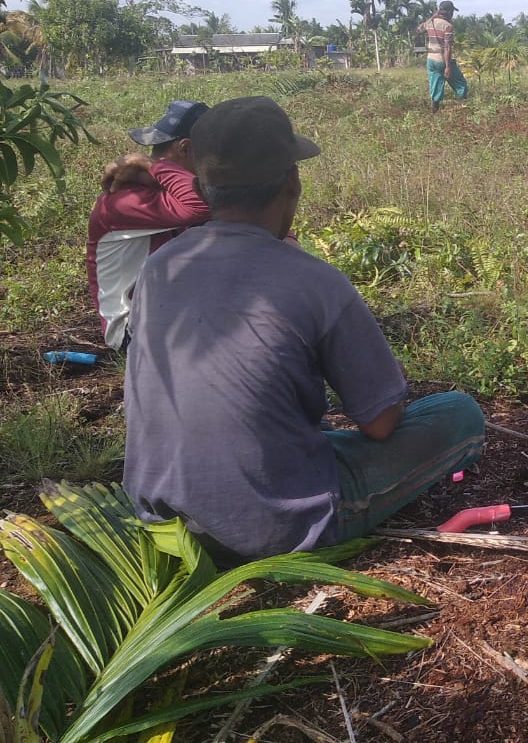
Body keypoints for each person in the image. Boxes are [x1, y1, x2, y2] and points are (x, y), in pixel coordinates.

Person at [123, 96, 485, 564]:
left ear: (204, 186)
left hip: (164, 519)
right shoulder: (316, 280)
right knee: (458, 413)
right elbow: (380, 424)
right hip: (272, 528)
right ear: (292, 182)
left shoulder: (159, 267)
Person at [87, 99, 211, 351]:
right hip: (132, 328)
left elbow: (230, 212)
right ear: (185, 148)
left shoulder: (165, 190)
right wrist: (154, 166)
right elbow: (203, 207)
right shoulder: (123, 200)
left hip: (167, 311)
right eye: (210, 154)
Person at [416, 0, 467, 110]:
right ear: (448, 12)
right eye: (452, 12)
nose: (452, 15)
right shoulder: (448, 26)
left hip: (431, 60)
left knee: (435, 86)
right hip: (442, 60)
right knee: (461, 84)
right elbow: (447, 47)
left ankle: (435, 111)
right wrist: (448, 67)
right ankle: (462, 108)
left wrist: (432, 17)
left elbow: (418, 29)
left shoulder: (430, 23)